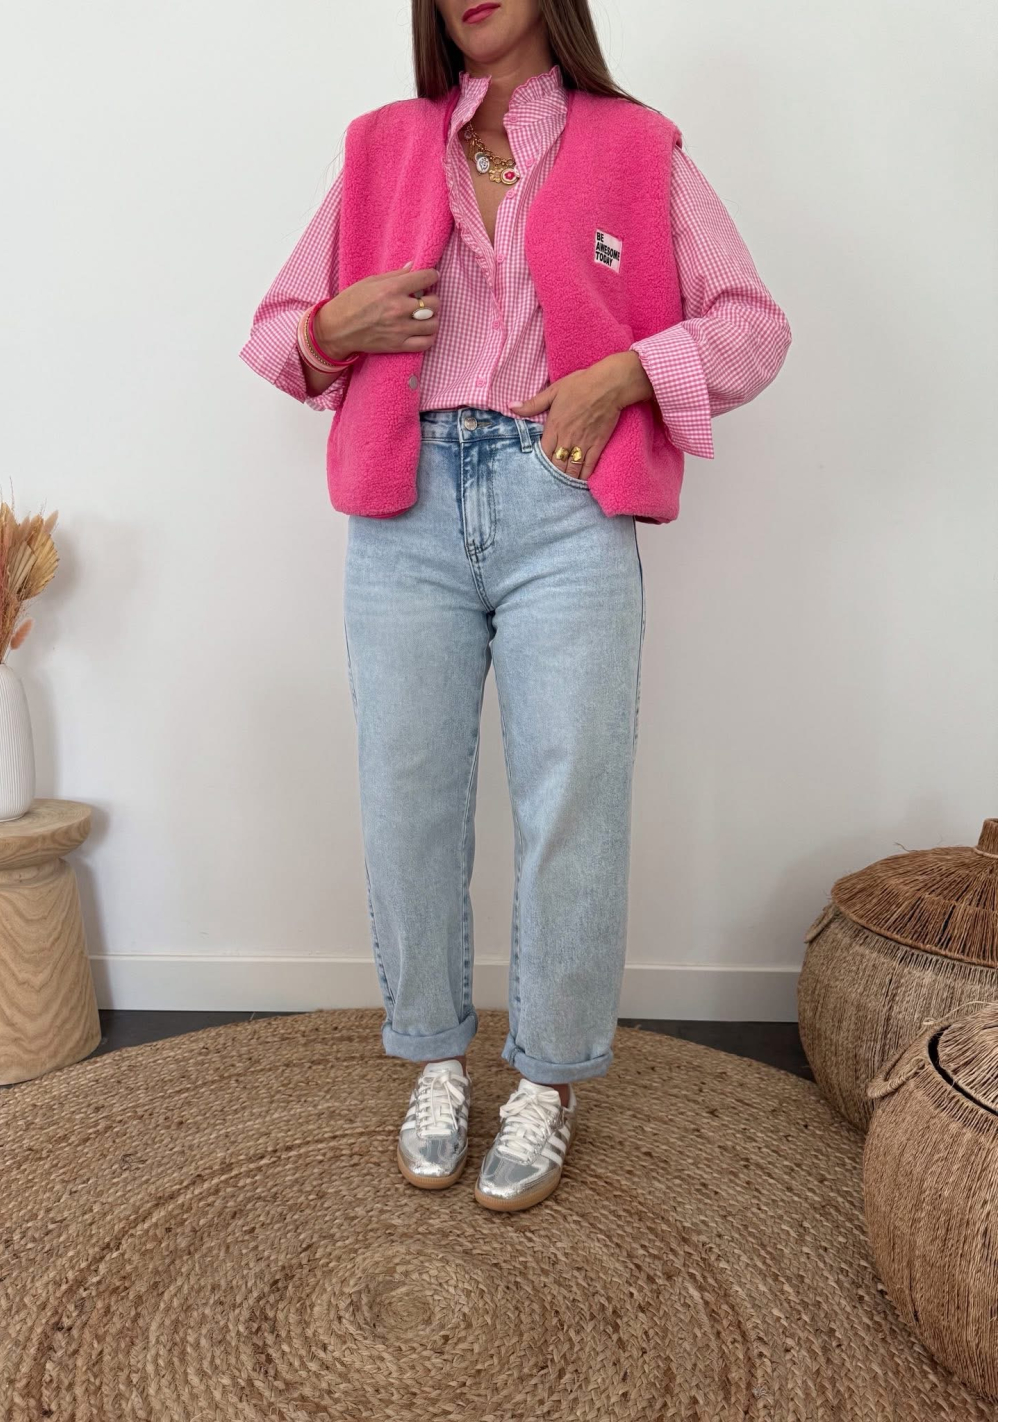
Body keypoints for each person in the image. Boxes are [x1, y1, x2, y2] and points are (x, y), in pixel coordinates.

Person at [240, 0, 790, 1212]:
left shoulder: (636, 145)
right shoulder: (383, 145)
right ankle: (434, 1064)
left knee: (571, 801)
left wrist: (624, 374)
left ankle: (546, 1079)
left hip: (563, 500)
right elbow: (279, 337)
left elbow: (752, 326)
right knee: (407, 799)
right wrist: (335, 326)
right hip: (405, 507)